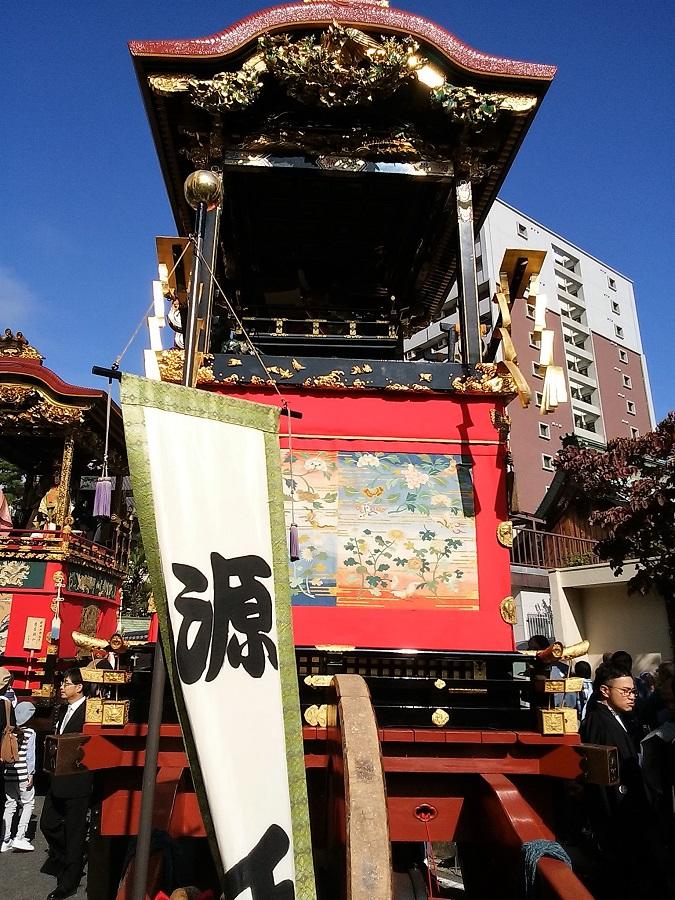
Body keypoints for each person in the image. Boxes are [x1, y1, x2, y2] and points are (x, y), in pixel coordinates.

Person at [580, 664, 656, 897]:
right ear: (605, 691)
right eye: (625, 691)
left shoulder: (615, 717)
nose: (632, 697)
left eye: (633, 691)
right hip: (618, 818)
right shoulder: (599, 722)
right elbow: (605, 778)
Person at [40, 668, 93, 900]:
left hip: (79, 779)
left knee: (75, 830)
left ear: (79, 687)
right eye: (62, 683)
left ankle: (69, 881)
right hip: (57, 778)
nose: (62, 687)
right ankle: (72, 856)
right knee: (48, 823)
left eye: (67, 683)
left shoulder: (89, 710)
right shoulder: (62, 709)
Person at [2, 701, 37, 852]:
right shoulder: (30, 733)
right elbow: (30, 756)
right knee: (28, 804)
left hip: (8, 774)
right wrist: (31, 774)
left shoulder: (8, 731)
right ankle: (20, 837)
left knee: (10, 805)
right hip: (23, 775)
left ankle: (5, 839)